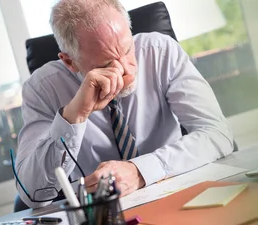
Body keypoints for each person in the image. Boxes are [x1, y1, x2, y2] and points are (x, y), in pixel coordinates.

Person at [16, 0, 234, 208]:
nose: (127, 71)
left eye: (128, 50)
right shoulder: (42, 89)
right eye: (106, 64)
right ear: (69, 61)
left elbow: (218, 134)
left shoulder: (160, 52)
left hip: (179, 194)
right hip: (104, 213)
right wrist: (73, 116)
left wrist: (139, 171)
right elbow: (33, 194)